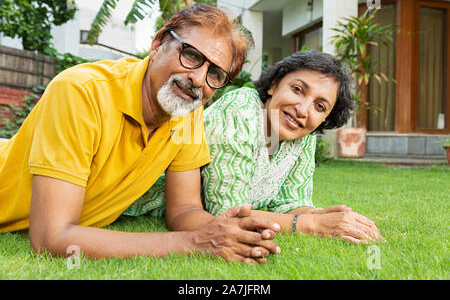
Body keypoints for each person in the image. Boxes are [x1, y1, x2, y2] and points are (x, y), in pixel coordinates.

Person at [0, 4, 282, 264]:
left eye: (215, 74)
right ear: (158, 44)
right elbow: (51, 238)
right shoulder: (82, 91)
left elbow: (184, 209)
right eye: (192, 55)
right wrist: (195, 242)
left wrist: (226, 230)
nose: (198, 79)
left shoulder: (188, 112)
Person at [127, 51, 384, 244]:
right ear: (274, 85)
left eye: (320, 106)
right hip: (139, 205)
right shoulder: (240, 109)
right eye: (297, 89)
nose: (303, 110)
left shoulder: (301, 134)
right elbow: (227, 214)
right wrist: (312, 224)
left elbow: (289, 202)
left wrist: (328, 216)